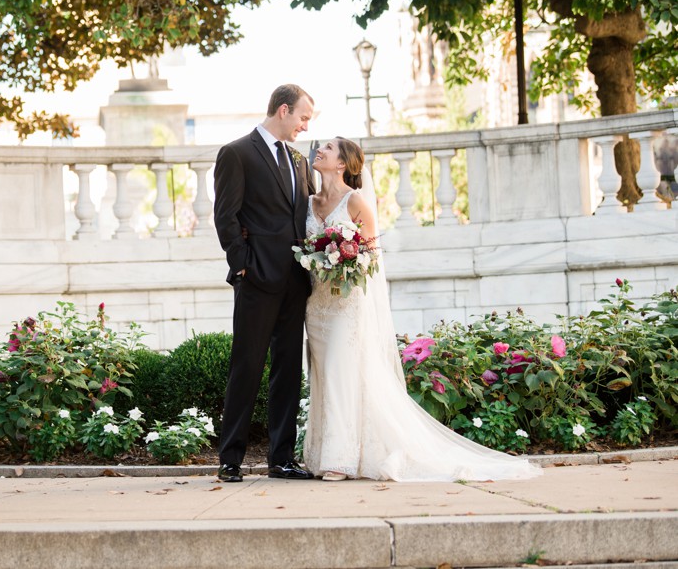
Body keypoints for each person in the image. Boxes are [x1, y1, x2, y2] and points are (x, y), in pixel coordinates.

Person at [302, 137, 542, 482]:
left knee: (342, 373)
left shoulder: (356, 203)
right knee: (324, 377)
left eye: (328, 148)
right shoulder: (308, 202)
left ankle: (340, 459)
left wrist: (342, 262)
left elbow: (371, 259)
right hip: (317, 306)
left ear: (341, 164)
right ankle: (323, 452)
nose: (320, 150)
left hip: (346, 306)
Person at [212, 84, 317, 482]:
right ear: (284, 110)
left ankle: (281, 458)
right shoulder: (236, 153)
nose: (305, 127)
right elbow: (226, 215)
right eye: (303, 118)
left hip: (295, 279)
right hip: (256, 279)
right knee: (247, 367)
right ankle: (230, 460)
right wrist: (242, 266)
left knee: (288, 372)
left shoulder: (298, 160)